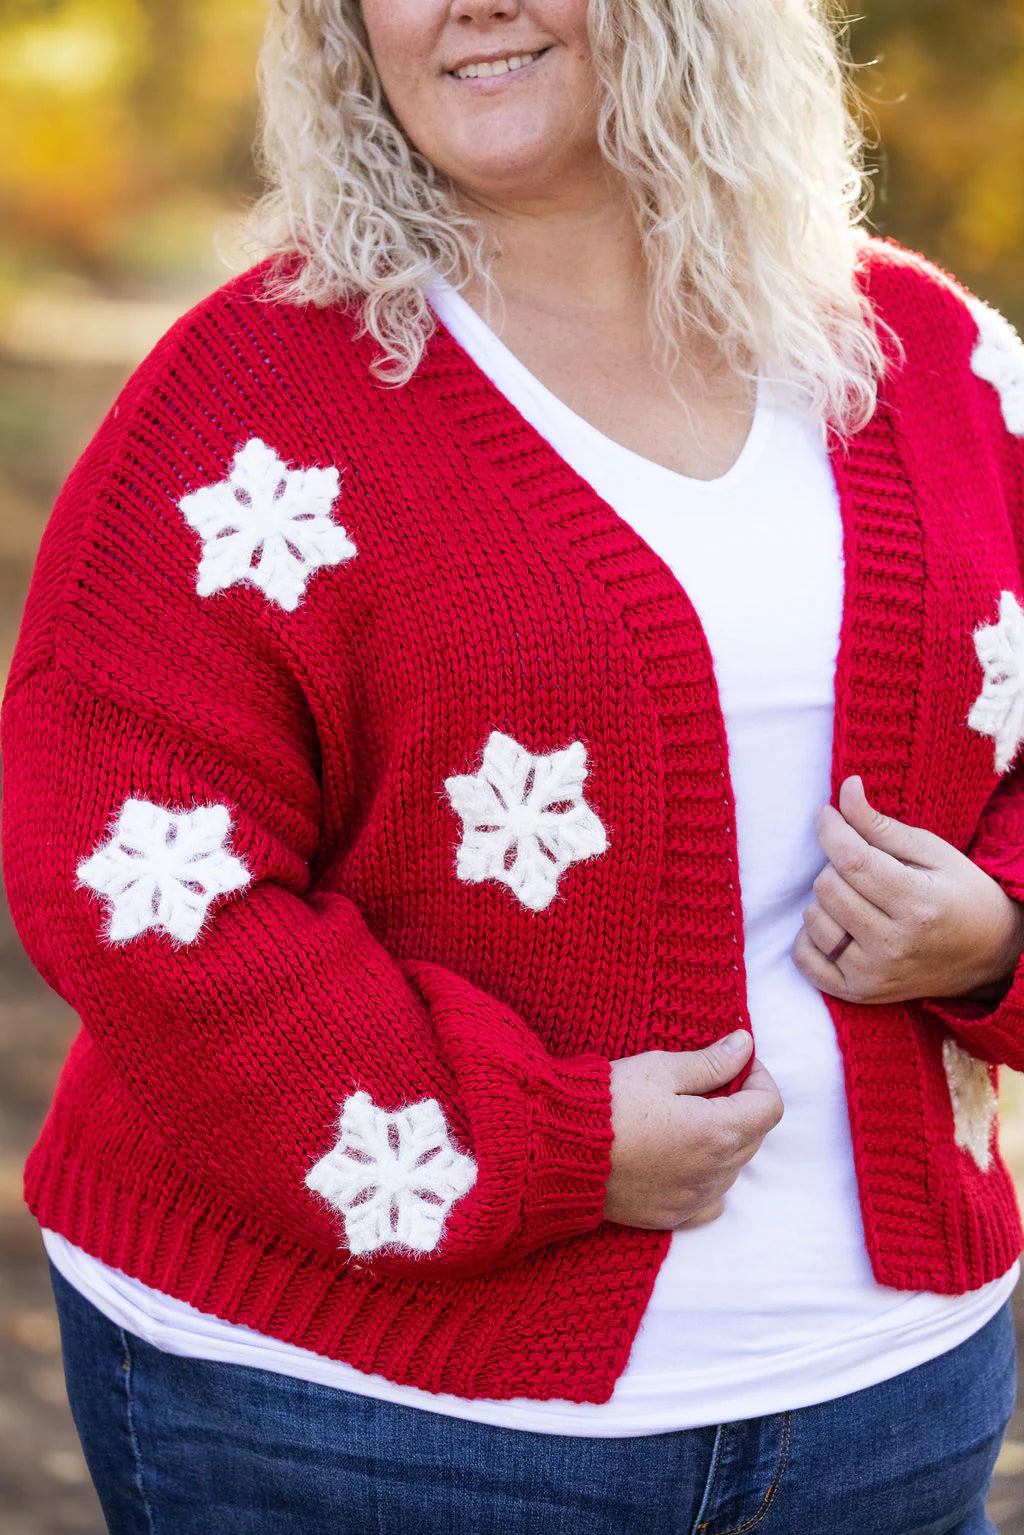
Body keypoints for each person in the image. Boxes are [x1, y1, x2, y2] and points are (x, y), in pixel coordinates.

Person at [3, 0, 1024, 1529]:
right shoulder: (249, 408)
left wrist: (999, 929)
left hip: (888, 1397)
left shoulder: (936, 362)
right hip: (357, 1417)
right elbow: (141, 886)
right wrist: (529, 1146)